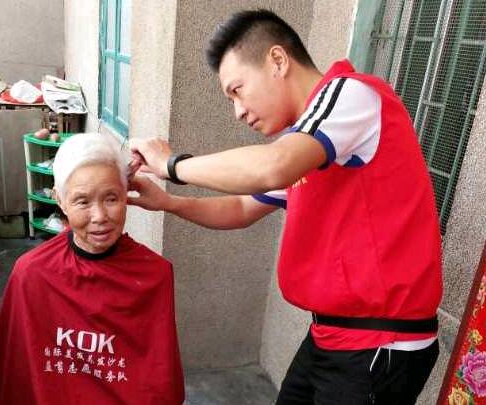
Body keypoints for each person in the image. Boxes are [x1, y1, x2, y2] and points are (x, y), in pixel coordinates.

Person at [129, 9, 442, 405]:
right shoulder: (308, 145)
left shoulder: (350, 95)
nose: (238, 111)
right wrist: (168, 202)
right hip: (331, 335)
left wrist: (172, 166)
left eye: (237, 90)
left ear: (277, 60)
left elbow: (272, 168)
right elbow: (241, 207)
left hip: (379, 343)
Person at [0, 133, 184, 405]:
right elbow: (14, 375)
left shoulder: (154, 275)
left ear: (126, 195)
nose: (99, 217)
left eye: (111, 198)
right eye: (82, 201)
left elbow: (159, 381)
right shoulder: (31, 274)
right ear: (60, 200)